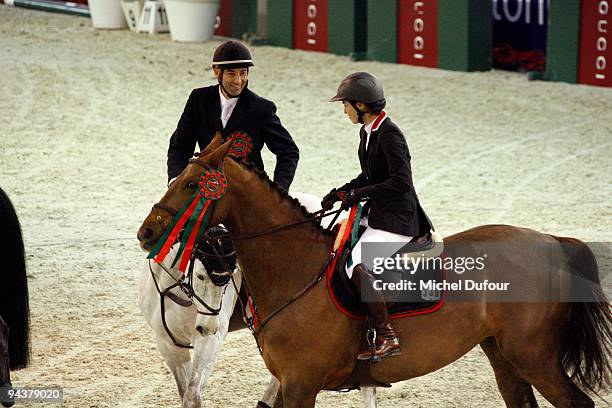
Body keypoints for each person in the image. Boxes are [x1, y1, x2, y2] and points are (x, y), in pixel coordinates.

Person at [321, 72, 433, 361]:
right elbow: (369, 175)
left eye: (345, 104)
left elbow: (400, 182)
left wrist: (358, 195)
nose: (343, 110)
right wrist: (341, 192)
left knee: (356, 266)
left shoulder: (390, 134)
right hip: (381, 212)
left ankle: (387, 335)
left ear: (360, 105)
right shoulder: (367, 132)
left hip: (399, 217)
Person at [167, 41, 299, 190]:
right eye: (231, 73)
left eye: (243, 73)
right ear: (217, 72)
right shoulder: (198, 99)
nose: (238, 81)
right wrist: (175, 180)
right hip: (208, 187)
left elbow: (289, 152)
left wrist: (278, 191)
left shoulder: (262, 109)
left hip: (247, 192)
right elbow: (180, 146)